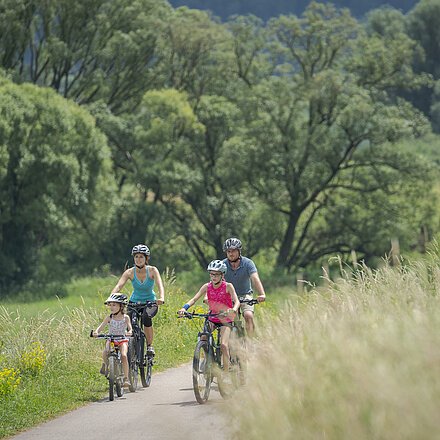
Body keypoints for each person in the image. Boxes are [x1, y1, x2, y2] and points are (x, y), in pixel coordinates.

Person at [178, 260, 240, 373]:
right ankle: (208, 360)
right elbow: (194, 299)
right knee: (203, 338)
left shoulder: (228, 286)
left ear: (222, 275)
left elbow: (237, 301)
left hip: (225, 319)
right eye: (212, 274)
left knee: (223, 345)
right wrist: (184, 308)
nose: (214, 277)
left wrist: (233, 309)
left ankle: (226, 371)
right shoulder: (207, 286)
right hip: (212, 318)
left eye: (216, 274)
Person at [111, 244, 165, 357]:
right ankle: (126, 347)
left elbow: (160, 285)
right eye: (136, 257)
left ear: (146, 258)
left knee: (146, 317)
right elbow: (119, 286)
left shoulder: (152, 270)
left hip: (150, 302)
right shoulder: (130, 272)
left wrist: (161, 297)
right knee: (128, 322)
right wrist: (111, 297)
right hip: (134, 302)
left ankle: (150, 346)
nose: (138, 259)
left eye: (141, 257)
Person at [222, 237, 266, 337]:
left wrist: (261, 294)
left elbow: (255, 278)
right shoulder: (223, 264)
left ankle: (251, 342)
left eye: (233, 251)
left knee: (248, 315)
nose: (230, 254)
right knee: (231, 320)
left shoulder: (247, 263)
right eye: (228, 251)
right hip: (229, 296)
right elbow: (216, 281)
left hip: (245, 294)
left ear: (239, 251)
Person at [93, 293, 133, 387]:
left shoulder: (125, 317)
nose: (111, 307)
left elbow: (130, 328)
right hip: (111, 339)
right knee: (106, 351)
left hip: (122, 339)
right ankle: (106, 365)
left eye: (114, 305)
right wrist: (96, 332)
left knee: (123, 355)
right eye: (110, 305)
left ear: (121, 306)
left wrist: (130, 332)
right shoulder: (109, 317)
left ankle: (126, 378)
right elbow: (101, 327)